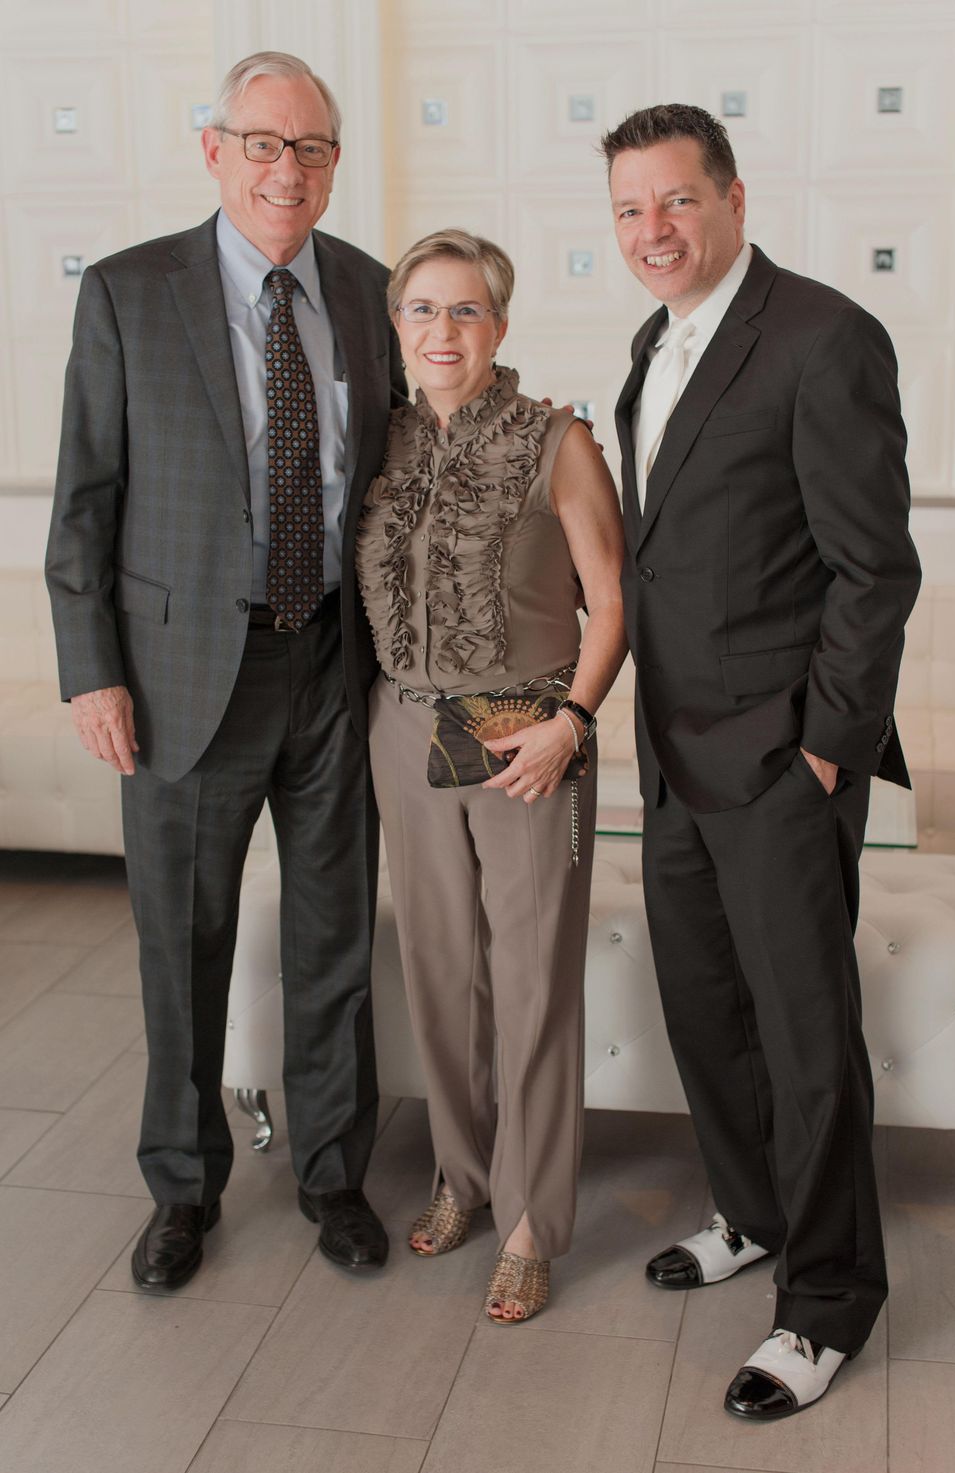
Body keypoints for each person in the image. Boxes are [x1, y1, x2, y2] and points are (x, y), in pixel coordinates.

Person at [45, 51, 407, 1289]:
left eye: (308, 148)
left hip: (333, 669)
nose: (284, 169)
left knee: (333, 940)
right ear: (214, 150)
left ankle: (330, 1175)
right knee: (179, 945)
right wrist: (92, 671)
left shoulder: (369, 292)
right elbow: (84, 499)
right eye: (262, 143)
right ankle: (182, 1188)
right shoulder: (128, 293)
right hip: (180, 674)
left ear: (333, 164)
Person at [603, 105, 920, 1417]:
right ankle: (751, 1210)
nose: (653, 231)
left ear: (734, 197)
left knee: (802, 1037)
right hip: (674, 753)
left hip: (784, 761)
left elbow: (873, 568)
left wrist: (830, 755)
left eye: (676, 201)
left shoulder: (822, 336)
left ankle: (830, 1297)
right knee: (703, 1009)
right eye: (629, 209)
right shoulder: (654, 342)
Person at [356, 229, 627, 1323]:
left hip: (527, 738)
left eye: (465, 311)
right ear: (396, 326)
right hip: (400, 734)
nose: (442, 331)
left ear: (500, 327)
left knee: (530, 982)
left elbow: (610, 604)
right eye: (422, 309)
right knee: (436, 972)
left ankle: (528, 1218)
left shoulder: (557, 439)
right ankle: (460, 1177)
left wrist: (571, 722)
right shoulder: (376, 441)